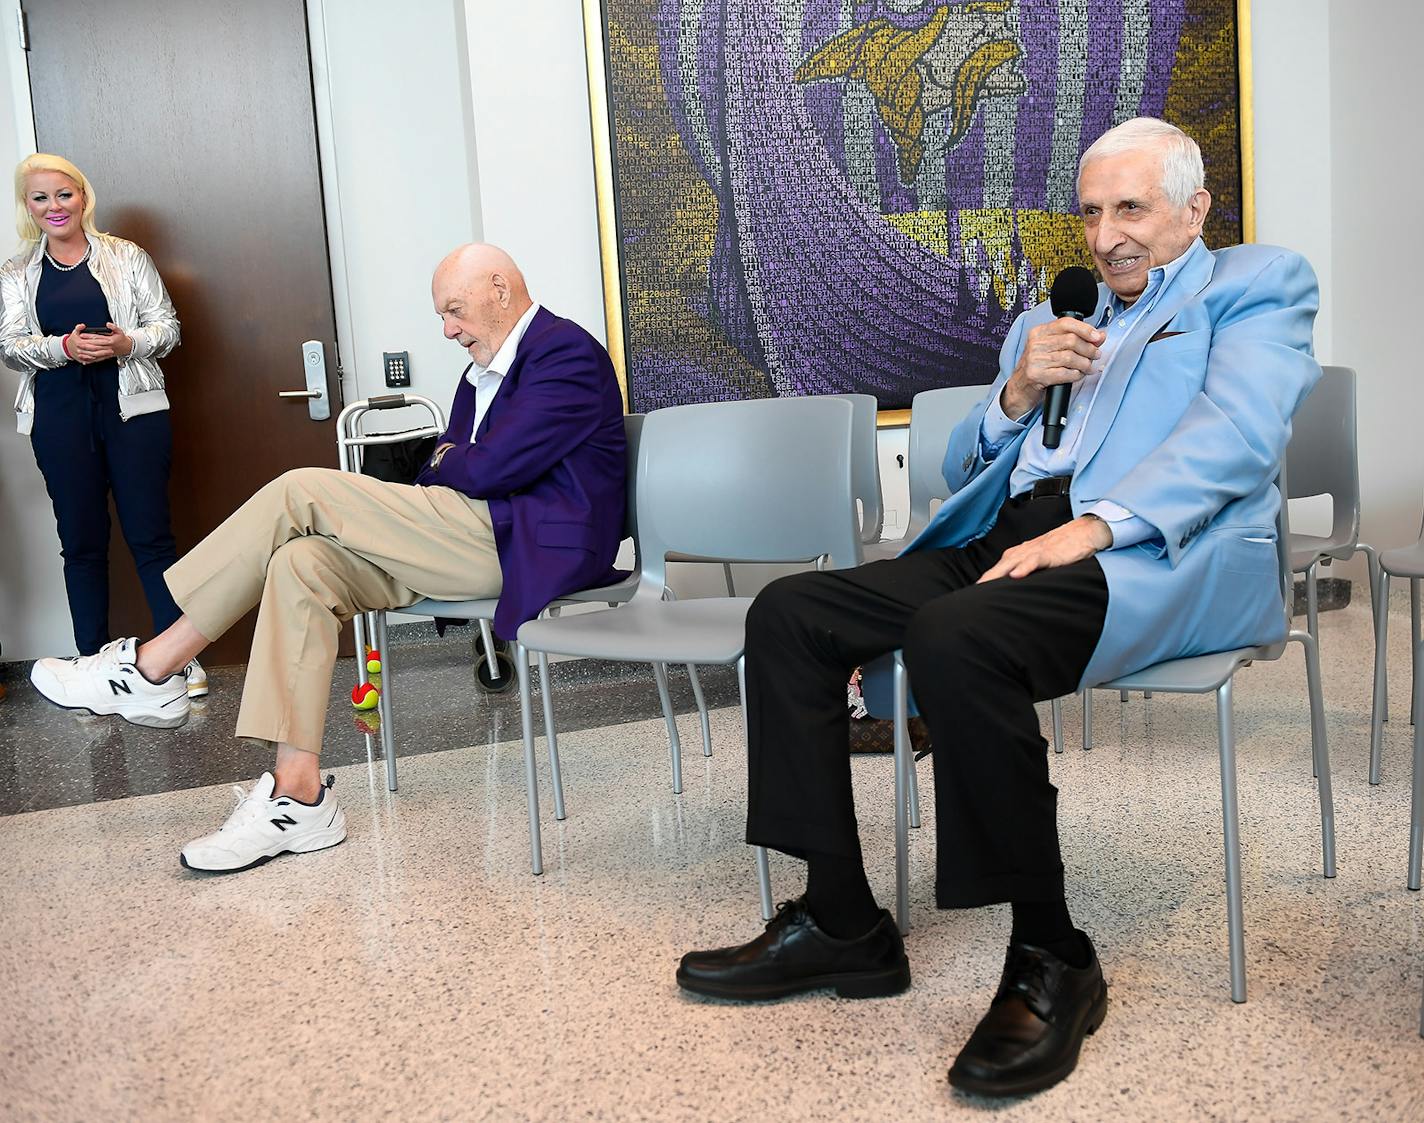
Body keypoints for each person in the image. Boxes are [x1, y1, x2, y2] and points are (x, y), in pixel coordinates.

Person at [676, 118, 1321, 1097]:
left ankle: (1051, 954)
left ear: (1193, 210)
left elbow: (1234, 436)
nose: (1104, 236)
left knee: (955, 636)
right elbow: (958, 470)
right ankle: (842, 924)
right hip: (1008, 534)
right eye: (1091, 212)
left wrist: (1096, 524)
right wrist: (1015, 393)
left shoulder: (1254, 287)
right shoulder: (1046, 320)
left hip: (1150, 545)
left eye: (1130, 208)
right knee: (788, 614)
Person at [28, 243, 627, 873]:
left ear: (501, 290)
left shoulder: (565, 352)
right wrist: (455, 463)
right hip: (475, 531)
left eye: (454, 310)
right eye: (442, 316)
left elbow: (488, 466)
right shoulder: (480, 370)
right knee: (302, 564)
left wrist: (455, 463)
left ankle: (156, 667)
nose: (447, 329)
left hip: (527, 547)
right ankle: (299, 796)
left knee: (299, 490)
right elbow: (443, 465)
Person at [1, 154, 206, 697]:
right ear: (28, 207)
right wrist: (62, 347)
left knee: (152, 537)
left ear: (83, 197)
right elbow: (9, 347)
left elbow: (168, 327)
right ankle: (91, 663)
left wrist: (126, 343)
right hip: (59, 417)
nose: (54, 206)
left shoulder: (126, 256)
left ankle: (176, 662)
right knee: (82, 543)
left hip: (133, 412)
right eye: (40, 198)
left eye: (63, 194)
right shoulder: (16, 272)